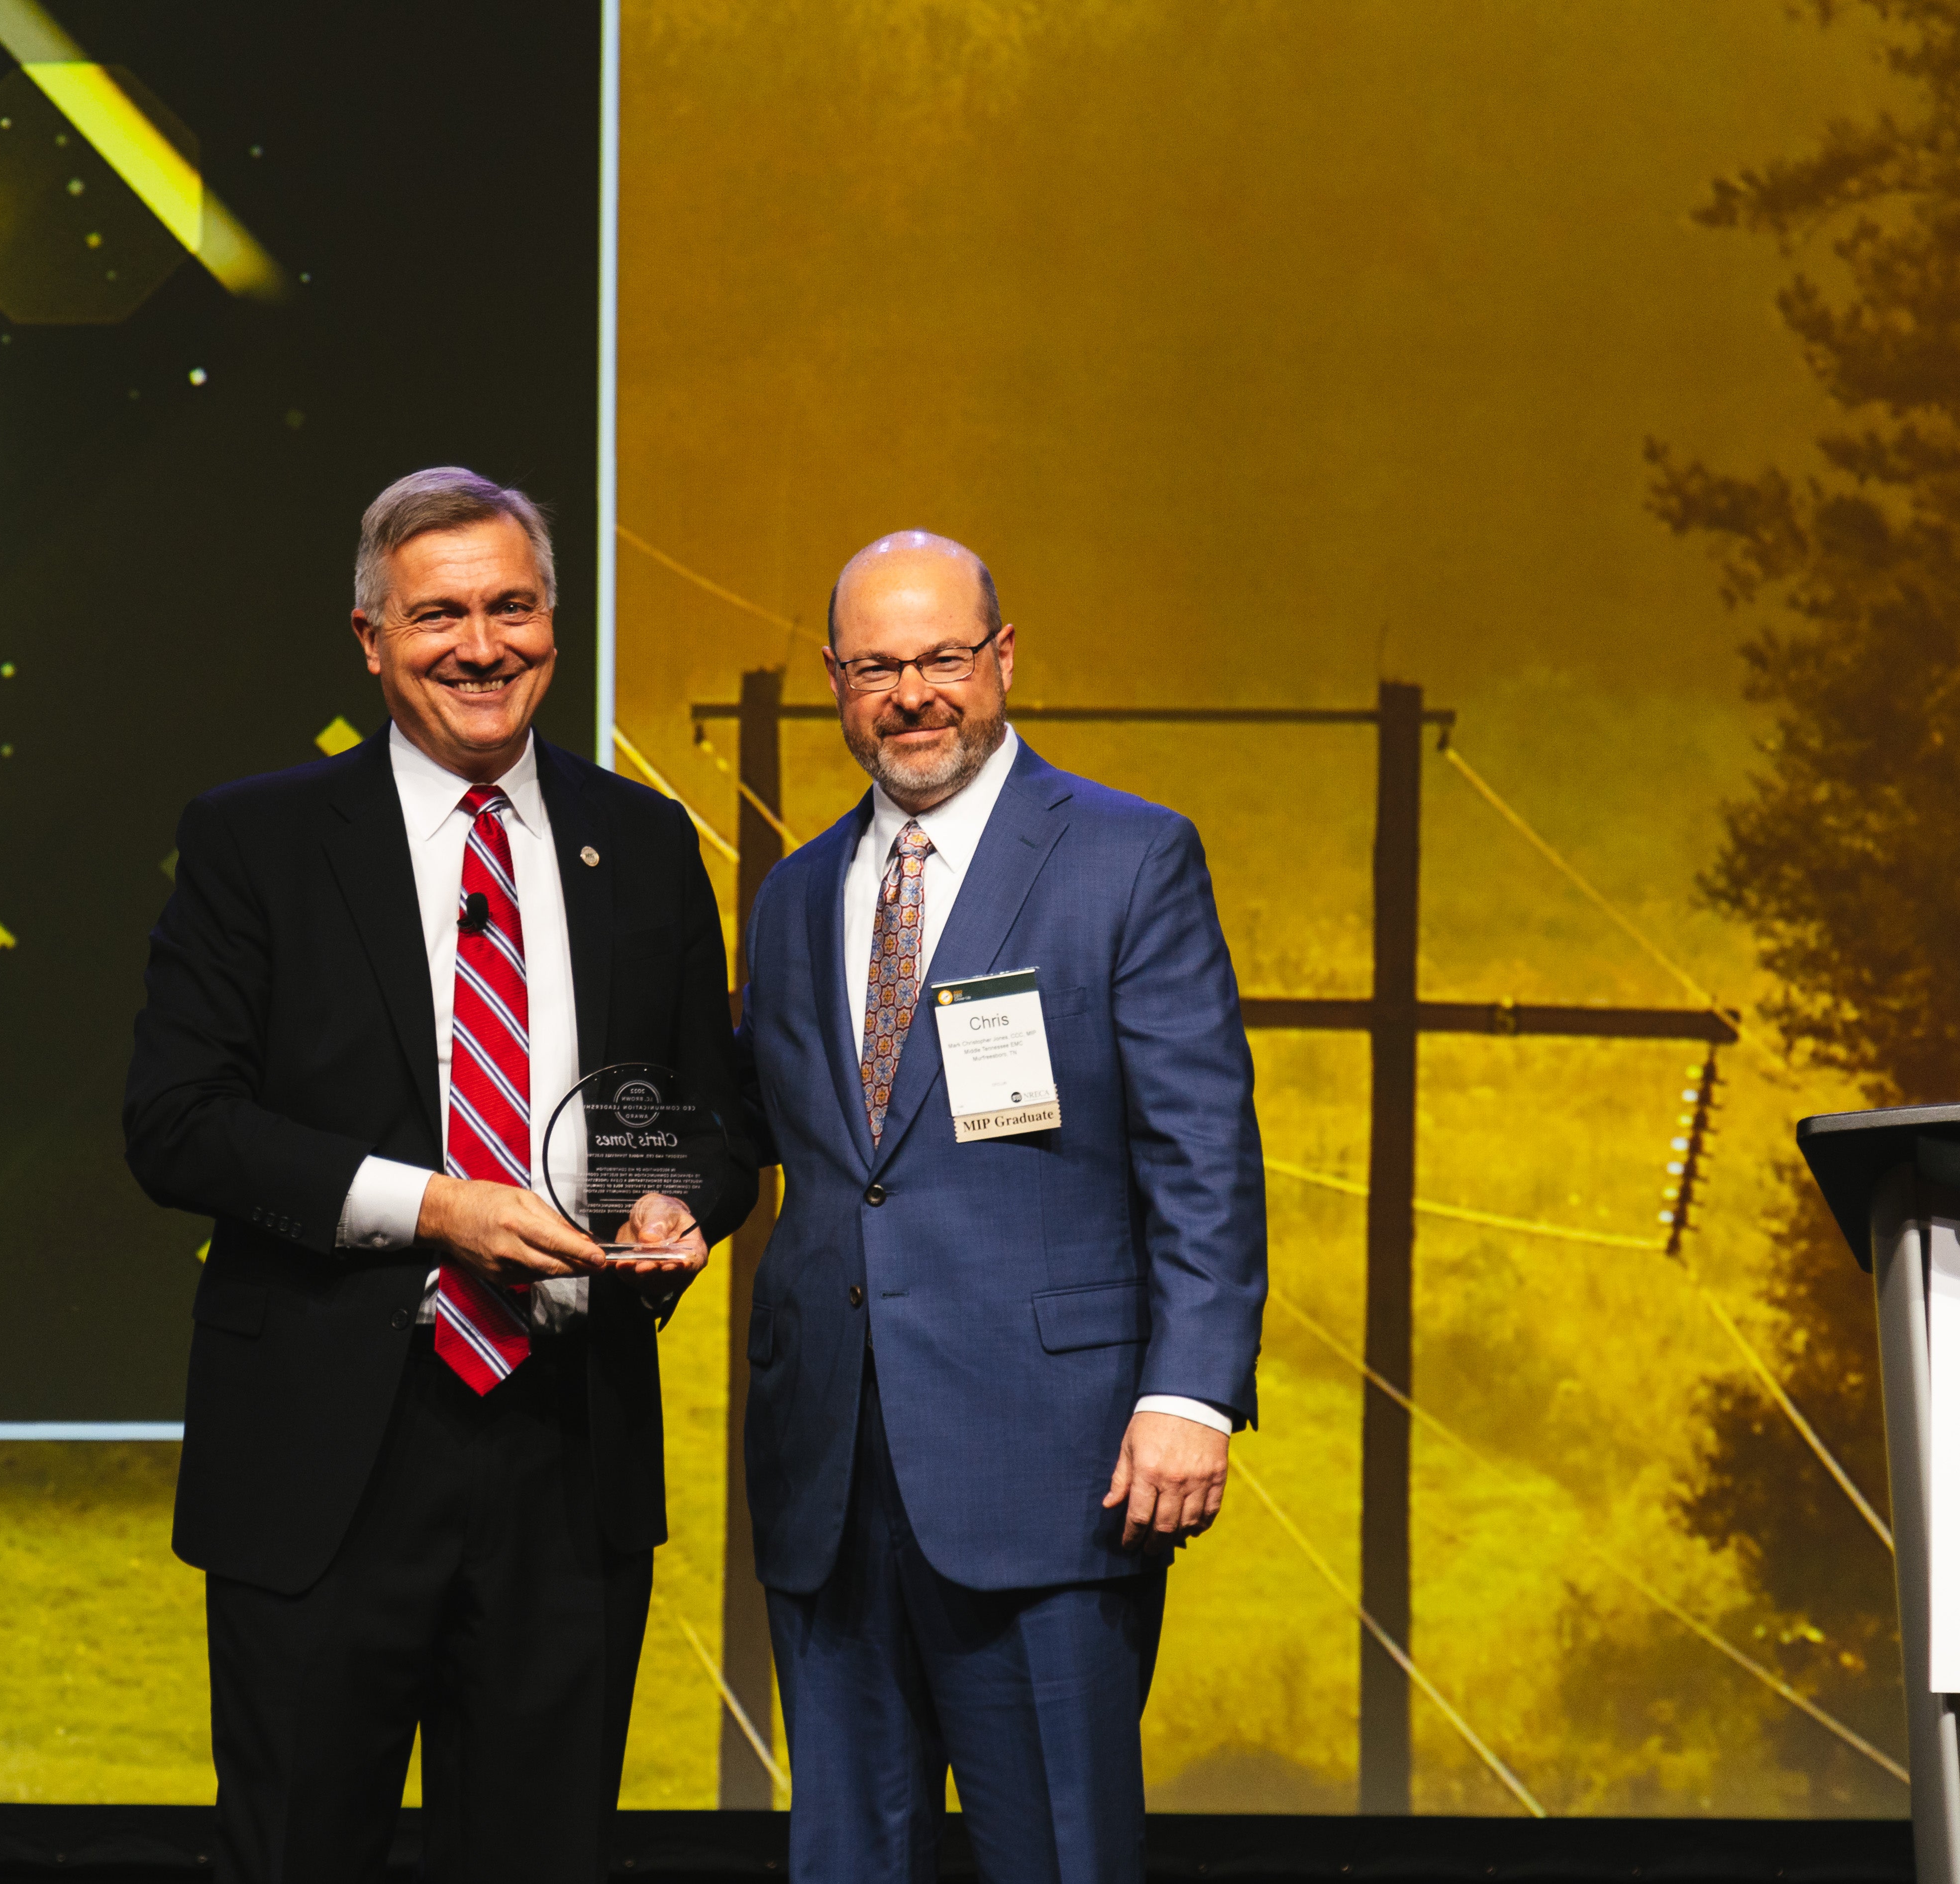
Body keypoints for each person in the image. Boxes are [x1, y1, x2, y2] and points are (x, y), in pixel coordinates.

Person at [122, 467, 755, 1883]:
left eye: (512, 607)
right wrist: (433, 1206)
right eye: (439, 615)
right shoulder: (257, 841)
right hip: (325, 1448)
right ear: (369, 639)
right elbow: (176, 1121)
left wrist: (678, 1202)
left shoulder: (641, 841)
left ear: (552, 619)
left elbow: (702, 1117)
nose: (481, 645)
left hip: (567, 1445)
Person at [734, 531, 1267, 1883]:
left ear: (1002, 659)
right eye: (875, 667)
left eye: (941, 659)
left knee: (1060, 1856)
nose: (911, 694)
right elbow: (788, 1149)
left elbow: (1201, 1150)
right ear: (834, 680)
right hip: (830, 1473)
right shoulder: (796, 893)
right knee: (848, 1857)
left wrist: (1190, 1395)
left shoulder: (1127, 859)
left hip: (1051, 1468)